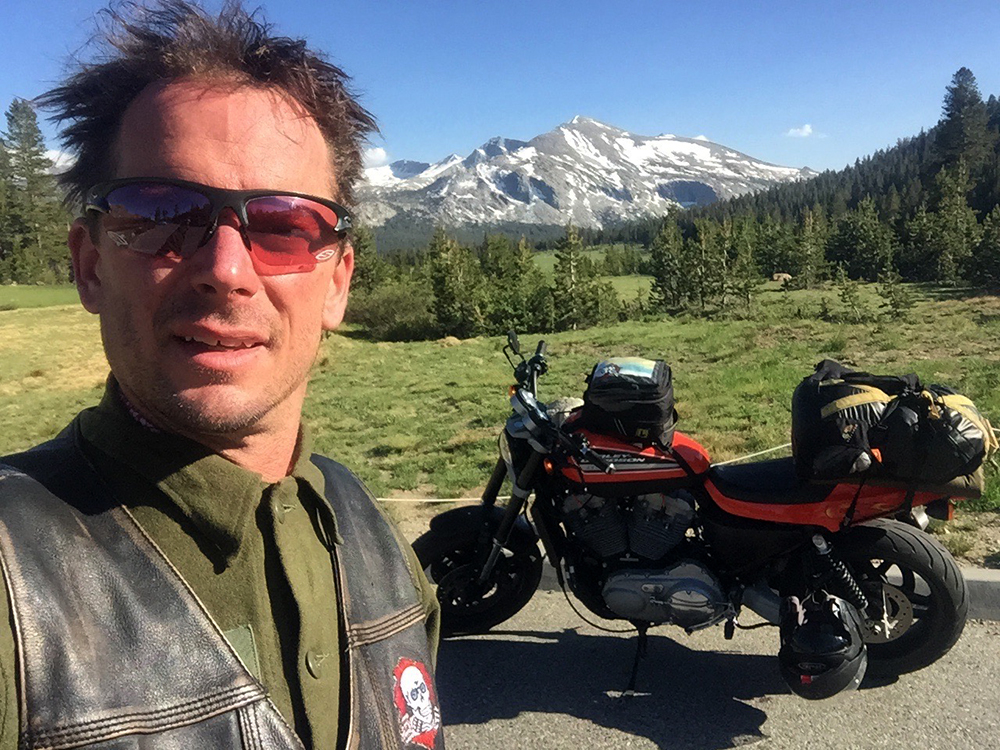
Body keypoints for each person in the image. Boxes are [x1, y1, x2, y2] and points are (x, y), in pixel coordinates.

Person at [0, 3, 443, 749]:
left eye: (283, 226)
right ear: (90, 266)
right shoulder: (15, 580)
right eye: (163, 212)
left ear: (338, 283)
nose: (226, 271)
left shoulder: (370, 533)